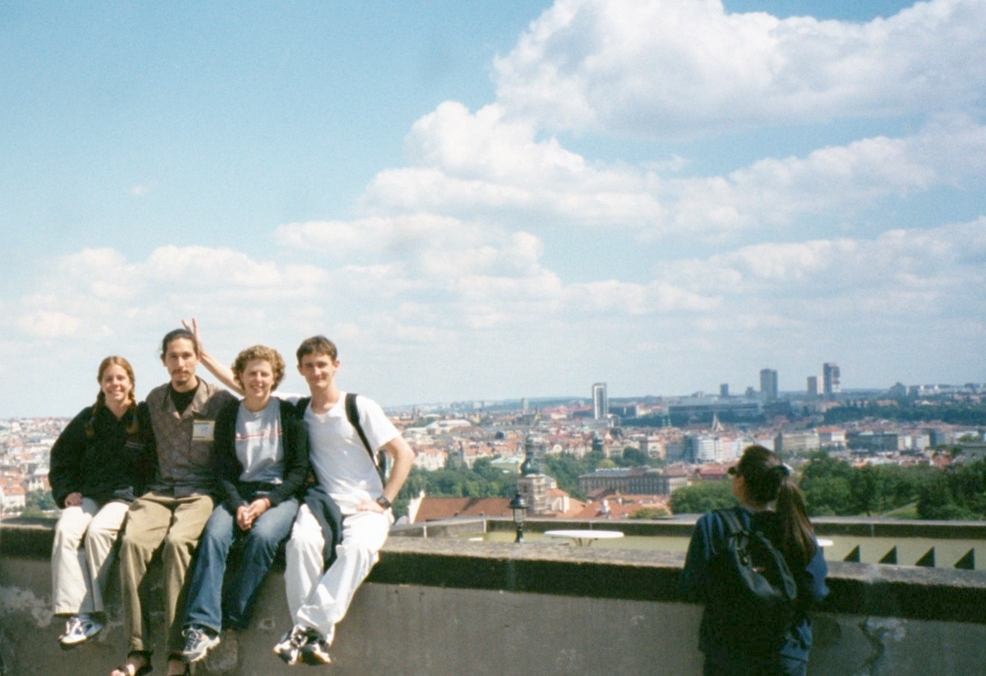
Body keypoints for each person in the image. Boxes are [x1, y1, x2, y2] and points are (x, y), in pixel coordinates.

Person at [272, 335, 415, 666]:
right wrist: (204, 356)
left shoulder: (358, 406)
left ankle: (303, 629)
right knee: (300, 545)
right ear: (300, 370)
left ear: (335, 366)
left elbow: (403, 453)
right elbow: (246, 386)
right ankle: (315, 638)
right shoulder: (298, 408)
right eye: (309, 366)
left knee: (359, 550)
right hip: (323, 503)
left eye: (322, 364)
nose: (316, 371)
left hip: (365, 506)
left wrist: (384, 500)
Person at [112, 329, 236, 676]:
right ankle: (138, 650)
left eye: (187, 355)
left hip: (200, 491)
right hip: (160, 490)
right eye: (173, 356)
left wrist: (212, 358)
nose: (180, 363)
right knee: (133, 544)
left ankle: (176, 653)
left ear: (197, 358)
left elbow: (253, 391)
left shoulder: (219, 401)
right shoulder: (154, 401)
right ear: (164, 360)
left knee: (178, 544)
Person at [179, 345, 309, 663]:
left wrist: (267, 502)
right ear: (240, 377)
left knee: (263, 537)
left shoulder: (288, 415)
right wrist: (237, 504)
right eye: (251, 373)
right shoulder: (229, 416)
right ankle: (202, 624)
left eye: (264, 373)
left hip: (278, 495)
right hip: (239, 494)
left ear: (274, 377)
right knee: (214, 536)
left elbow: (299, 472)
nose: (258, 379)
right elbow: (221, 471)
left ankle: (232, 619)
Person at [680, 445, 829, 676]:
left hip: (727, 652)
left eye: (734, 472)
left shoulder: (713, 525)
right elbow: (815, 590)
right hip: (784, 650)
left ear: (741, 482)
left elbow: (693, 587)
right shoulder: (795, 527)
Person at [48, 357, 153, 649]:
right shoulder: (89, 419)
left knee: (98, 533)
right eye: (109, 379)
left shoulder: (142, 418)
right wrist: (66, 491)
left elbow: (156, 461)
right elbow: (61, 458)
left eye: (120, 378)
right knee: (66, 530)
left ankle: (92, 611)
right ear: (101, 384)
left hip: (126, 496)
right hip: (90, 493)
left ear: (131, 382)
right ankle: (79, 614)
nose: (115, 384)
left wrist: (147, 496)